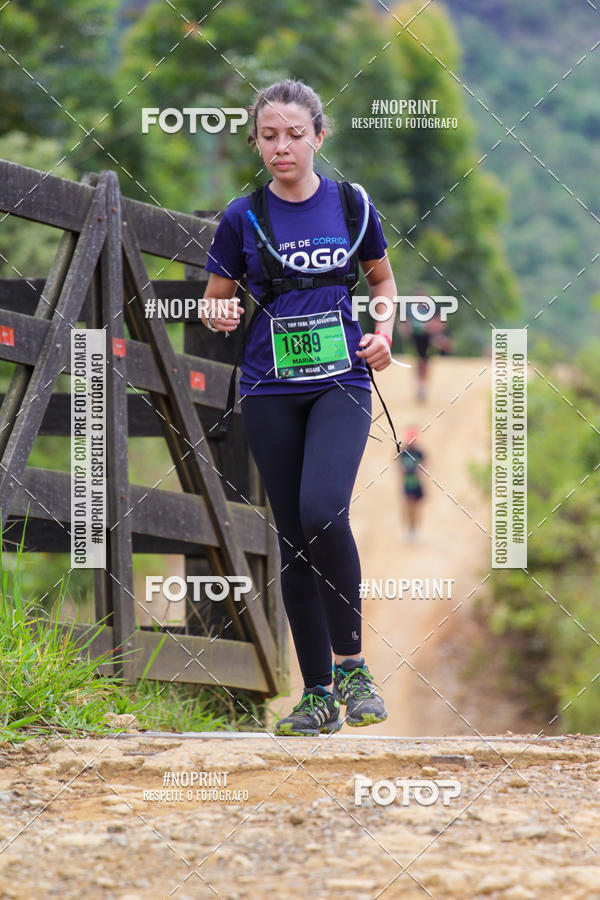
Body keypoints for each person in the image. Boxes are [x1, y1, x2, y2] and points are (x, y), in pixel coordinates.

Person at [200, 79, 396, 736]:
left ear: (318, 135)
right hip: (268, 390)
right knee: (293, 541)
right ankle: (316, 697)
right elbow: (215, 296)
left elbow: (382, 281)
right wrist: (220, 311)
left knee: (322, 512)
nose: (281, 147)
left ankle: (354, 668)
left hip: (340, 382)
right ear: (256, 142)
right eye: (268, 136)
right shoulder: (243, 215)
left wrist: (383, 333)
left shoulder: (351, 205)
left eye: (294, 133)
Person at [399, 426, 426, 541]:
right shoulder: (403, 452)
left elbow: (425, 466)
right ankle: (410, 529)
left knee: (416, 508)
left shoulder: (419, 452)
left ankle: (414, 529)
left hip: (416, 483)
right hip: (407, 483)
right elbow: (398, 467)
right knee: (409, 507)